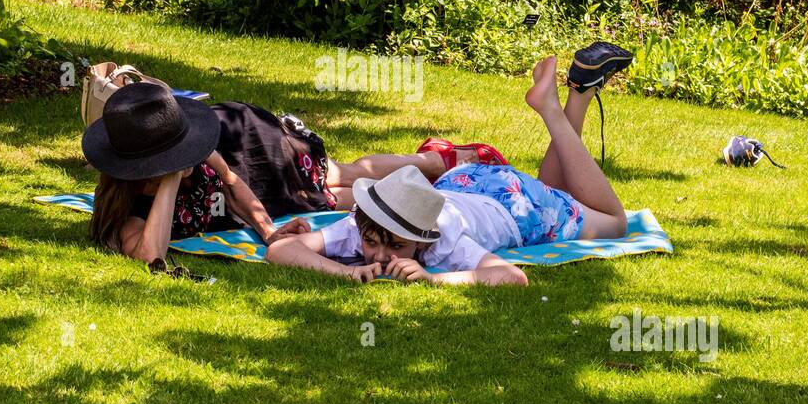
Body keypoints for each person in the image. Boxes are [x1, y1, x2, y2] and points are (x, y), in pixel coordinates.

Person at [266, 42, 635, 286]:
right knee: (559, 192)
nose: (379, 256)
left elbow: (511, 278)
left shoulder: (444, 243)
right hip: (464, 184)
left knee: (615, 223)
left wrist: (433, 279)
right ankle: (580, 91)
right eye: (373, 243)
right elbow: (280, 249)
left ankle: (552, 110)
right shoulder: (367, 223)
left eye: (396, 247)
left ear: (420, 239)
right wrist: (343, 272)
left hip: (515, 205)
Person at [81, 80, 504, 267]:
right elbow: (151, 255)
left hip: (250, 140)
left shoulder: (203, 151)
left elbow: (232, 184)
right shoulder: (129, 211)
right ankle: (415, 188)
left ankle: (435, 162)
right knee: (333, 200)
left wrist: (268, 233)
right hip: (237, 162)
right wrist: (172, 175)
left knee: (334, 175)